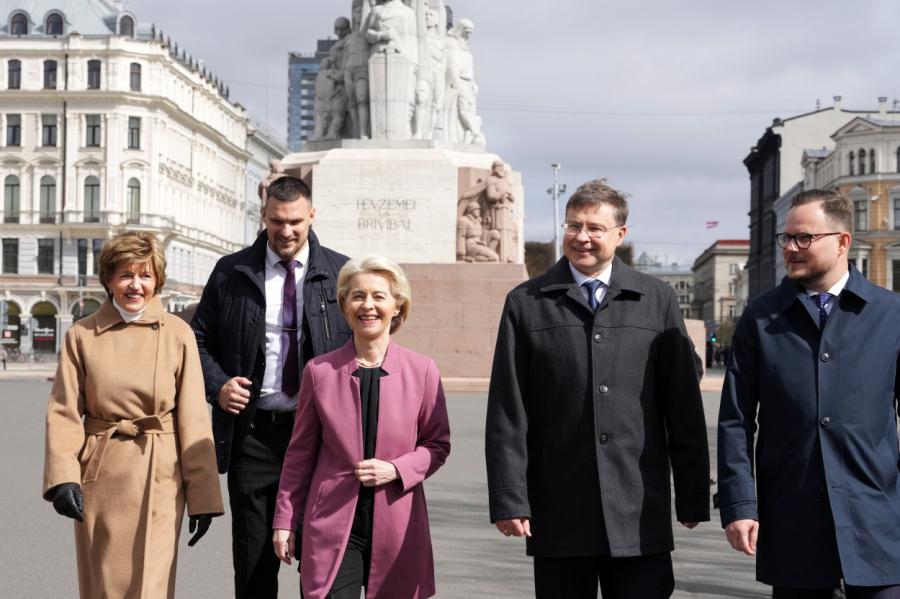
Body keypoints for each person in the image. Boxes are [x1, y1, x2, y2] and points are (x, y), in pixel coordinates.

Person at [485, 179, 710, 599]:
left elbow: (681, 406)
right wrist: (509, 497)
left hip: (639, 507)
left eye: (594, 228)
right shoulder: (525, 302)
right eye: (573, 226)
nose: (581, 237)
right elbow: (508, 409)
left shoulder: (656, 299)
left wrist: (694, 494)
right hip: (559, 508)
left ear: (620, 235)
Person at [718, 189, 900, 598]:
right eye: (787, 239)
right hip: (793, 521)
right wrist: (739, 505)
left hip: (878, 524)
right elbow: (735, 419)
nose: (792, 249)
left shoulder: (891, 316)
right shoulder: (761, 318)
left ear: (842, 242)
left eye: (805, 238)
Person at [191, 175, 352, 599]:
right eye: (277, 221)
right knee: (254, 567)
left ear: (312, 215)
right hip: (254, 437)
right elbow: (197, 339)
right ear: (262, 216)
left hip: (322, 441)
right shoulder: (231, 272)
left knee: (321, 570)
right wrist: (218, 385)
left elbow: (364, 349)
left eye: (297, 221)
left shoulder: (341, 273)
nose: (287, 231)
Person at [43, 231, 223, 598]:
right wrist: (64, 478)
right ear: (108, 279)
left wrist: (203, 496)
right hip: (101, 471)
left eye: (145, 274)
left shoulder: (178, 334)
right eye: (125, 274)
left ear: (158, 279)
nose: (135, 284)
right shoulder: (81, 335)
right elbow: (63, 411)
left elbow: (193, 416)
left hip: (161, 473)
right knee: (104, 583)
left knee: (152, 585)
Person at [273, 255, 451, 599]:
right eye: (357, 296)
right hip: (332, 519)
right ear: (344, 305)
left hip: (398, 519)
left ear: (398, 306)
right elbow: (299, 455)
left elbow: (438, 444)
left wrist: (397, 469)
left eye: (379, 296)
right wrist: (284, 520)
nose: (367, 305)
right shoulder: (318, 372)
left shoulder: (423, 371)